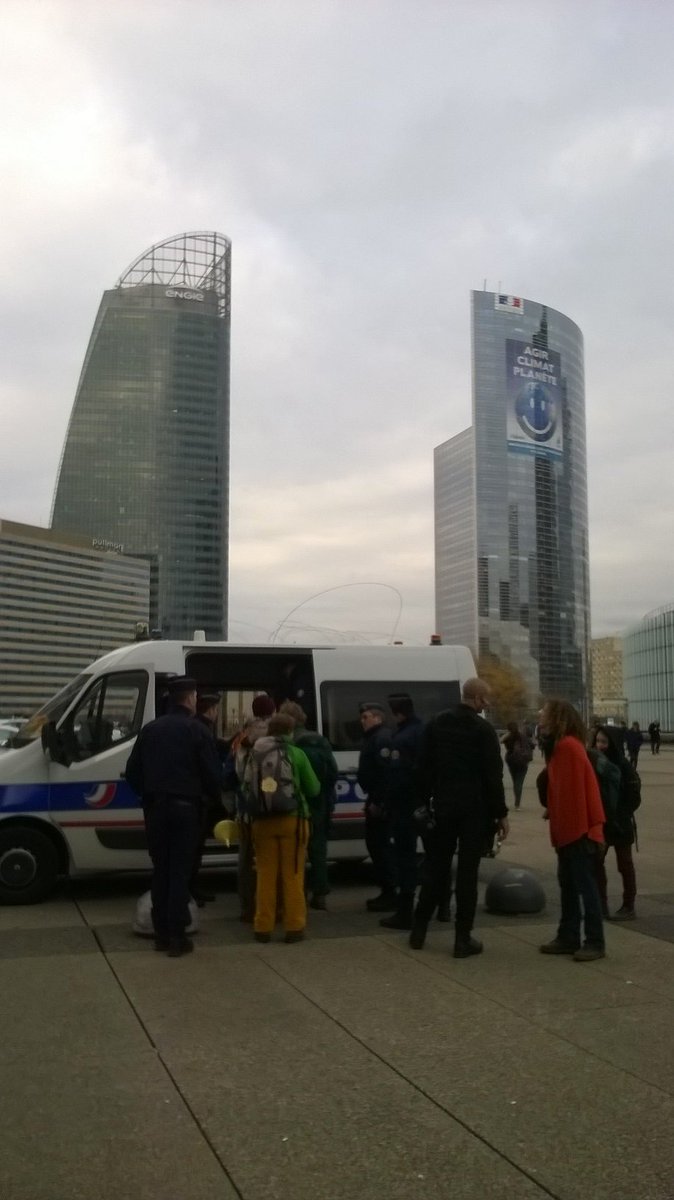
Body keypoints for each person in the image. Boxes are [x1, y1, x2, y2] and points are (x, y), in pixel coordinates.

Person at [409, 678, 509, 958]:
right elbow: (493, 776)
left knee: (435, 868)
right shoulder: (483, 730)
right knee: (467, 874)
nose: (487, 704)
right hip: (474, 811)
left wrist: (423, 802)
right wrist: (500, 813)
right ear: (476, 698)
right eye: (485, 699)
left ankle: (419, 931)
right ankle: (462, 939)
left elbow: (422, 768)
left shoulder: (436, 724)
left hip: (443, 806)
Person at [125, 676, 223, 957]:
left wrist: (149, 794)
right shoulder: (198, 731)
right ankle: (178, 937)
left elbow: (132, 772)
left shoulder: (150, 730)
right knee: (180, 871)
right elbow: (212, 776)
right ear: (191, 698)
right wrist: (211, 800)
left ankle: (161, 934)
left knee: (161, 870)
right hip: (186, 809)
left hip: (155, 809)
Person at [538, 699, 606, 962]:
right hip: (574, 829)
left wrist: (575, 830)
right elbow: (564, 791)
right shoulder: (563, 746)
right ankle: (568, 936)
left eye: (544, 713)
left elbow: (576, 795)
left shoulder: (567, 747)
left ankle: (594, 941)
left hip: (579, 831)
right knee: (569, 885)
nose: (540, 716)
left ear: (557, 718)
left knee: (584, 887)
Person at [249, 712, 320, 943]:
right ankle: (294, 926)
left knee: (265, 875)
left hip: (262, 821)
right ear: (290, 731)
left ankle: (262, 926)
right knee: (293, 875)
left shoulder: (256, 752)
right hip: (293, 821)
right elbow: (313, 789)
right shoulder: (296, 753)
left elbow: (244, 784)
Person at [279, 700, 338, 910]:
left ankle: (298, 893)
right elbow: (333, 771)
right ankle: (320, 893)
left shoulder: (288, 743)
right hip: (320, 801)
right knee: (318, 848)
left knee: (296, 849)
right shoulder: (320, 740)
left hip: (297, 803)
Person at [378, 694, 425, 931]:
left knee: (405, 859)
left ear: (398, 713)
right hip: (423, 804)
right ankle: (441, 906)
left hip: (404, 807)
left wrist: (386, 802)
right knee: (433, 857)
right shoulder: (423, 731)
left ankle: (405, 913)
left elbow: (396, 778)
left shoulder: (403, 737)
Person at [233, 693, 276, 922]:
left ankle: (248, 907)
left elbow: (239, 773)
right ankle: (274, 908)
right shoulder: (279, 736)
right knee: (271, 860)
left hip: (249, 809)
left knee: (247, 859)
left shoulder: (245, 738)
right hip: (274, 807)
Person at [591, 726, 641, 920]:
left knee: (625, 865)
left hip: (620, 824)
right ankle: (600, 904)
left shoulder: (623, 765)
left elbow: (634, 797)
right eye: (598, 741)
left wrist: (621, 814)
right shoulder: (594, 763)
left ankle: (629, 905)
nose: (600, 746)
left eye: (604, 742)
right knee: (596, 864)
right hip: (601, 823)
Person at [357, 702, 396, 912]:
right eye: (362, 717)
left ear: (378, 719)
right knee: (375, 845)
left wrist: (379, 803)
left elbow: (385, 775)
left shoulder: (381, 738)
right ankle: (387, 891)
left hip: (380, 803)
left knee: (380, 847)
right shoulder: (374, 737)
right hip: (375, 799)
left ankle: (390, 893)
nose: (362, 720)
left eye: (366, 717)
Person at [190, 691, 223, 907]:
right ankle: (192, 889)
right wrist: (218, 794)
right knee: (194, 848)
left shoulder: (197, 727)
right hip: (199, 799)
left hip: (195, 796)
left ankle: (191, 888)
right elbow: (209, 765)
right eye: (216, 708)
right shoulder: (202, 729)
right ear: (210, 710)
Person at [501, 721, 532, 809]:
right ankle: (517, 803)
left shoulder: (508, 737)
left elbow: (500, 741)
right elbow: (532, 745)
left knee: (515, 780)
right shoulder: (523, 736)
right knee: (519, 781)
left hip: (511, 760)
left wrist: (508, 733)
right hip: (523, 761)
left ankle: (517, 800)